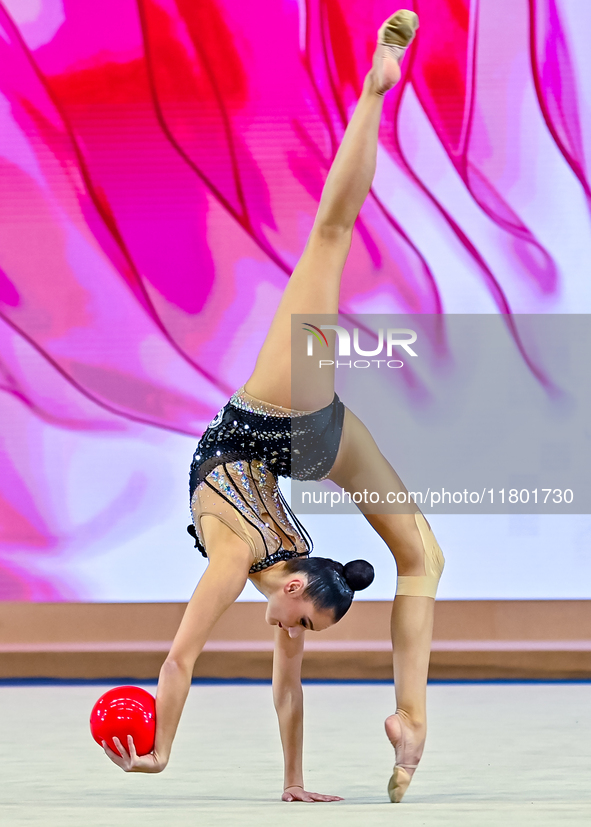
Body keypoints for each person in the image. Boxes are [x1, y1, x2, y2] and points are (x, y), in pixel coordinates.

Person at [102, 9, 445, 804]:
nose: (291, 642)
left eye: (301, 636)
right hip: (279, 420)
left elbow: (285, 691)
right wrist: (161, 750)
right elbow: (180, 656)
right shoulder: (247, 567)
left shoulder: (284, 582)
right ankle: (374, 88)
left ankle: (410, 721)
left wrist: (294, 783)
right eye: (303, 629)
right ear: (296, 591)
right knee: (328, 236)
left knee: (424, 557)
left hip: (307, 439)